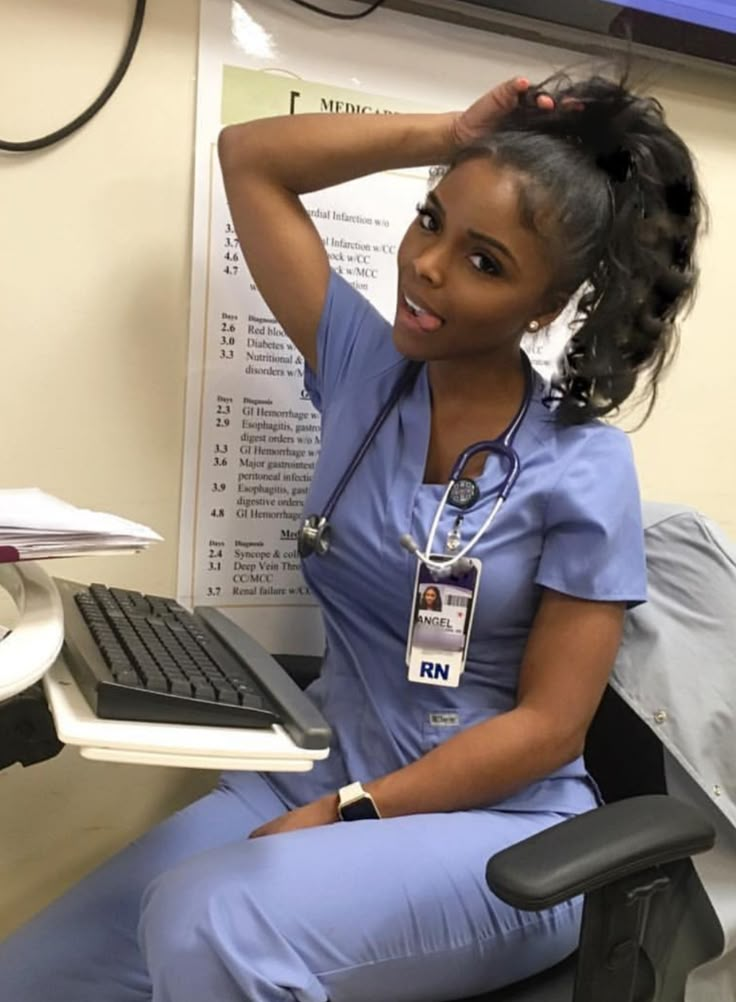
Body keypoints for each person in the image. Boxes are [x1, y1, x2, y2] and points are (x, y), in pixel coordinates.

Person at [0, 74, 703, 1002]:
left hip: (504, 832)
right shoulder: (367, 370)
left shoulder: (583, 467)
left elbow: (548, 728)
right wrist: (453, 129)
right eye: (431, 220)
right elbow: (251, 160)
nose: (428, 266)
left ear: (546, 307)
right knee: (33, 976)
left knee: (208, 920)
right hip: (321, 776)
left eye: (485, 261)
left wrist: (355, 811)